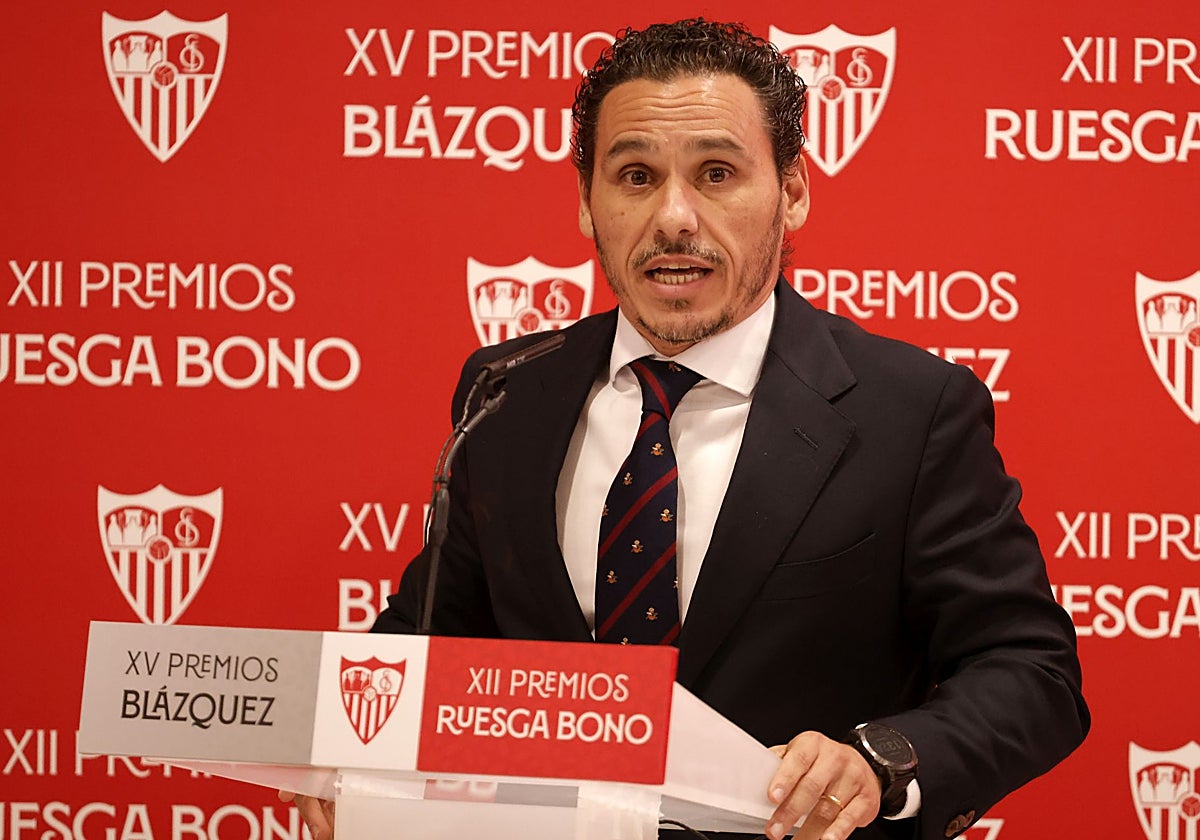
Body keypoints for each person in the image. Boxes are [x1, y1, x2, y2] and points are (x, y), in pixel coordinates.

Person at [286, 19, 1088, 840]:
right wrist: (351, 749)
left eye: (716, 173)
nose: (674, 217)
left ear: (794, 190)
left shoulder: (912, 409)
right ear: (586, 203)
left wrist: (879, 762)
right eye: (635, 175)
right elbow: (434, 631)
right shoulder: (506, 390)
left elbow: (1031, 671)